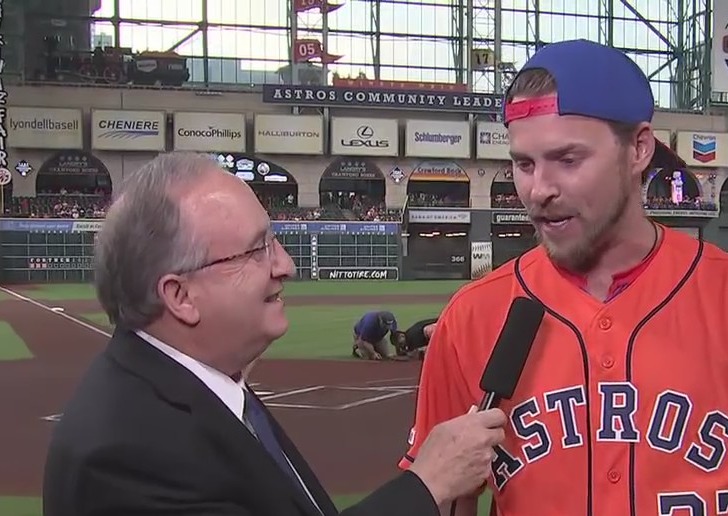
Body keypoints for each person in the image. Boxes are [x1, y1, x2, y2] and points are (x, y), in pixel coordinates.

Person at [398, 39, 728, 516]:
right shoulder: (473, 316)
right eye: (524, 164)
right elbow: (448, 498)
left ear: (639, 149)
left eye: (568, 159)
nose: (539, 190)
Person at [42, 152, 508, 516]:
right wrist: (427, 484)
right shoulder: (127, 456)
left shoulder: (202, 386)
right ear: (180, 296)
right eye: (256, 249)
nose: (285, 265)